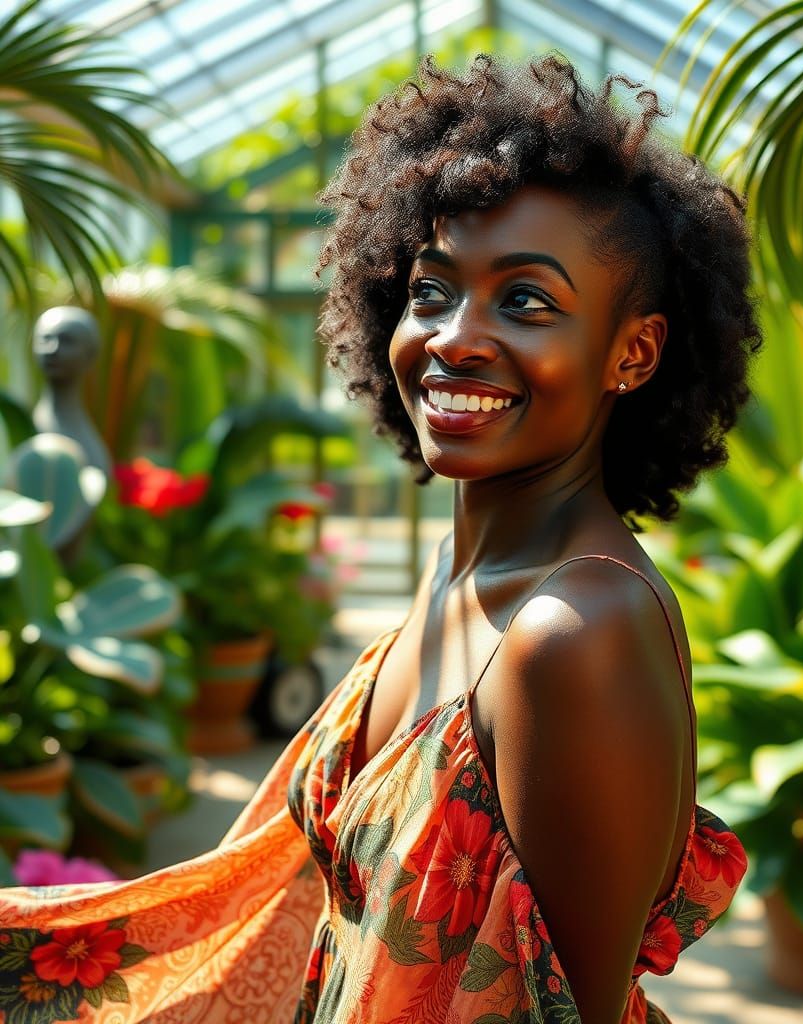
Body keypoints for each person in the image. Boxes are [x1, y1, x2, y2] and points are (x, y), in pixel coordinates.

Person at [0, 53, 759, 1023]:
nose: (453, 337)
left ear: (633, 351)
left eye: (525, 300)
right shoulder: (463, 573)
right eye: (433, 290)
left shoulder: (575, 633)